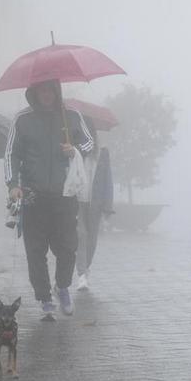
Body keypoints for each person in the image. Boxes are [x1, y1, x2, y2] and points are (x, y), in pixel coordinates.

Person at [4, 79, 93, 318]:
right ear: (33, 91)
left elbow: (89, 141)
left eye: (50, 89)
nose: (46, 94)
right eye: (41, 90)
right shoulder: (22, 119)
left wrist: (74, 149)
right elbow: (11, 153)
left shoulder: (71, 115)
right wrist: (13, 185)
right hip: (33, 195)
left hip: (65, 194)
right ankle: (45, 299)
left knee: (67, 248)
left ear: (56, 90)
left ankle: (62, 286)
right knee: (36, 251)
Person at [75, 120, 114, 291]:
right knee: (81, 235)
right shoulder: (76, 152)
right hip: (77, 201)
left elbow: (108, 181)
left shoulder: (102, 153)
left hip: (95, 204)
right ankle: (81, 274)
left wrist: (107, 206)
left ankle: (86, 267)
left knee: (91, 240)